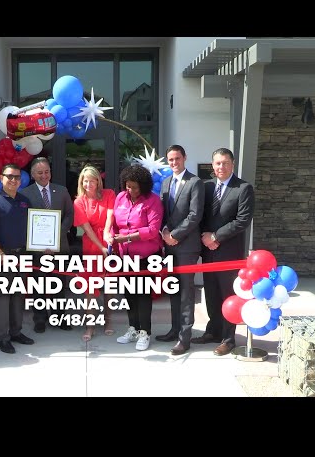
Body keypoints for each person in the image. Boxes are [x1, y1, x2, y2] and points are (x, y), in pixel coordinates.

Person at [192, 148, 254, 356]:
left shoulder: (243, 188)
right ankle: (213, 331)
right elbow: (197, 215)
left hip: (229, 253)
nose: (221, 167)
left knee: (228, 296)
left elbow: (242, 220)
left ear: (233, 164)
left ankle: (228, 339)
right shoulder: (207, 187)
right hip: (208, 252)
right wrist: (205, 238)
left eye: (225, 163)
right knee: (210, 294)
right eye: (217, 163)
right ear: (213, 165)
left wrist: (216, 237)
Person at [108, 164, 164, 351]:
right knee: (129, 294)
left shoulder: (153, 200)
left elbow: (153, 230)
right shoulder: (120, 197)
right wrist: (111, 235)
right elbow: (115, 223)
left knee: (142, 295)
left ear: (144, 186)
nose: (129, 190)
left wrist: (128, 237)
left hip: (146, 256)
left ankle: (145, 332)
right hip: (125, 255)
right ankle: (133, 328)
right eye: (127, 185)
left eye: (134, 187)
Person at [0, 164, 35, 354]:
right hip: (2, 257)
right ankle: (2, 338)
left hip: (22, 256)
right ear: (1, 178)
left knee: (18, 297)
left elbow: (33, 229)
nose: (13, 180)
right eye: (9, 176)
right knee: (3, 299)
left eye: (17, 177)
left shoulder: (25, 201)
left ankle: (16, 332)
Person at [157, 145, 204, 355]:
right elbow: (162, 212)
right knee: (173, 290)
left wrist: (175, 235)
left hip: (186, 247)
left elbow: (195, 215)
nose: (174, 163)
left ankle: (185, 337)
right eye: (170, 160)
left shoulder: (195, 182)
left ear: (184, 158)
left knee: (186, 292)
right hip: (170, 246)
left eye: (177, 159)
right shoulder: (166, 183)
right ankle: (174, 329)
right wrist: (165, 231)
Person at [20, 157, 74, 333]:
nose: (44, 175)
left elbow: (69, 216)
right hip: (37, 250)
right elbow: (24, 222)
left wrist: (56, 235)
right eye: (40, 173)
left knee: (59, 284)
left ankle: (60, 317)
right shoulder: (25, 194)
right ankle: (40, 319)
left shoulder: (62, 190)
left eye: (47, 172)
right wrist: (41, 243)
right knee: (39, 285)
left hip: (59, 248)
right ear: (32, 174)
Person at [73, 165, 115, 341]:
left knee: (109, 286)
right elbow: (87, 229)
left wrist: (106, 233)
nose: (88, 183)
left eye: (92, 180)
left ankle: (108, 321)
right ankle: (90, 326)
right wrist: (101, 246)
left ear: (98, 181)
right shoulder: (78, 201)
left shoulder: (109, 194)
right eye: (85, 180)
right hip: (91, 246)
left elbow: (110, 214)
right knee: (90, 288)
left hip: (109, 241)